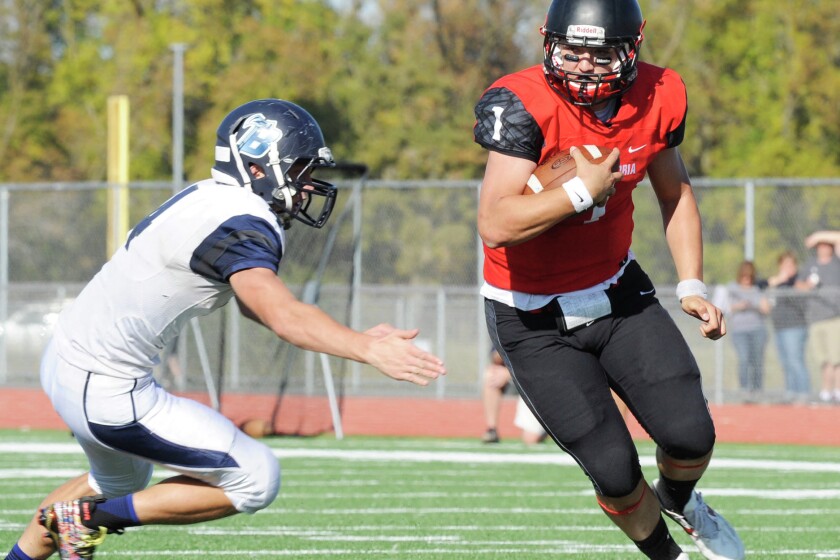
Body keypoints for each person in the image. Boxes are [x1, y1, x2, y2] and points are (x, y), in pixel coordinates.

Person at [4, 99, 445, 560]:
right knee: (255, 477)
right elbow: (281, 315)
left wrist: (357, 339)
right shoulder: (242, 219)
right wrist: (366, 349)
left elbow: (261, 308)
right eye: (298, 169)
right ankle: (88, 519)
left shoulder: (208, 198)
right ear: (258, 166)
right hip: (107, 388)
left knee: (118, 483)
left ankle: (47, 536)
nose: (306, 184)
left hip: (67, 361)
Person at [472, 1, 744, 559]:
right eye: (571, 53)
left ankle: (681, 499)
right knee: (615, 472)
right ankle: (667, 556)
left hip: (616, 291)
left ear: (632, 48)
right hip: (530, 315)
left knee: (691, 434)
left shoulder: (660, 93)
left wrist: (691, 285)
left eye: (600, 55)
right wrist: (577, 192)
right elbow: (494, 223)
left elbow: (675, 193)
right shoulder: (522, 102)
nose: (582, 68)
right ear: (549, 44)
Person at [765, 251, 811, 401]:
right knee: (785, 362)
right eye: (785, 265)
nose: (788, 268)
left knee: (795, 361)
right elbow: (766, 300)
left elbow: (805, 289)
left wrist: (791, 281)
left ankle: (803, 393)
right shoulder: (777, 283)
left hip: (795, 327)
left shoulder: (798, 281)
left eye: (791, 265)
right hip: (779, 327)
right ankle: (791, 393)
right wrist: (777, 281)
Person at [799, 233, 840, 403]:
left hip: (834, 317)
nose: (824, 248)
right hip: (816, 318)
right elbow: (799, 285)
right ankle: (825, 391)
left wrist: (817, 236)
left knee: (837, 358)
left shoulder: (837, 263)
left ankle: (838, 390)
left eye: (826, 244)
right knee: (823, 359)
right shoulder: (811, 265)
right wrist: (807, 285)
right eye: (820, 245)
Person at [481, 349, 548, 445]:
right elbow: (495, 356)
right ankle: (492, 430)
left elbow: (541, 360)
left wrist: (510, 373)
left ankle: (552, 425)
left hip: (539, 377)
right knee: (492, 374)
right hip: (519, 372)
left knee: (530, 438)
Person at [725, 261, 770, 402]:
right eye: (744, 276)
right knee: (744, 359)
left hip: (757, 330)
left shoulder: (757, 289)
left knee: (757, 361)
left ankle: (757, 390)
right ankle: (744, 390)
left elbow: (766, 309)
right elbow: (724, 306)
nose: (746, 280)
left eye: (749, 277)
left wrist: (755, 305)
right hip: (740, 331)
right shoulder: (731, 288)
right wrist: (739, 306)